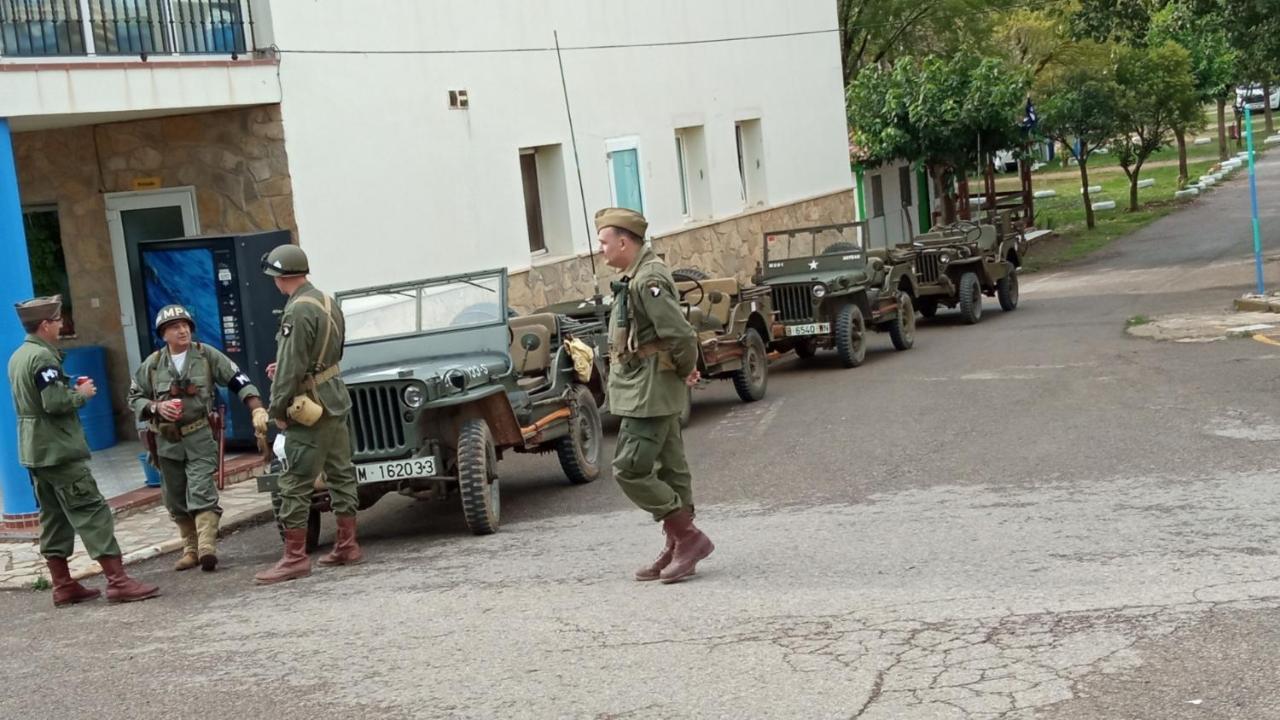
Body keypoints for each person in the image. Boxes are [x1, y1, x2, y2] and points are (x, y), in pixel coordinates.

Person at [7, 295, 159, 605]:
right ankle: (118, 581)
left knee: (53, 516)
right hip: (59, 448)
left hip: (36, 450)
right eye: (58, 321)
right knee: (92, 511)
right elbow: (54, 403)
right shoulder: (43, 358)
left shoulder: (19, 355)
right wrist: (81, 394)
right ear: (45, 325)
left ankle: (63, 585)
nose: (62, 326)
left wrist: (68, 387)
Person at [595, 207, 714, 584]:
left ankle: (689, 537)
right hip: (647, 387)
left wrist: (684, 368)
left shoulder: (648, 279)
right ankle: (678, 544)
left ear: (624, 241)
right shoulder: (635, 276)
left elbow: (678, 333)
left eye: (604, 241)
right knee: (671, 467)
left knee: (629, 469)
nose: (601, 249)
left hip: (649, 390)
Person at [127, 305, 268, 572]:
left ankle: (206, 548)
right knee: (175, 498)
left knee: (201, 490)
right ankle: (190, 548)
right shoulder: (153, 365)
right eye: (174, 327)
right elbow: (134, 397)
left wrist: (256, 407)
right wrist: (156, 407)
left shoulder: (205, 356)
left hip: (199, 436)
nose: (182, 330)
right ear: (163, 334)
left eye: (186, 325)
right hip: (166, 443)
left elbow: (238, 379)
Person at [254, 244, 362, 585]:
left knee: (294, 482)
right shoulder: (327, 301)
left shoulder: (296, 311)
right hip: (334, 396)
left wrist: (278, 410)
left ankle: (294, 558)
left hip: (310, 405)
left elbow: (289, 367)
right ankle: (347, 544)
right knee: (341, 473)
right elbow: (333, 350)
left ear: (278, 276)